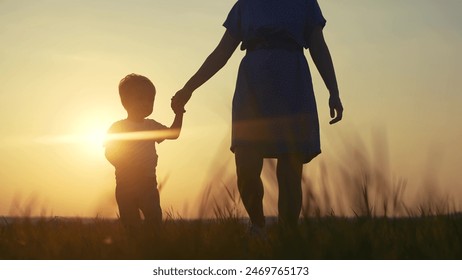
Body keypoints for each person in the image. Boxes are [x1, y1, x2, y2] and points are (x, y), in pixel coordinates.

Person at [172, 0, 343, 234]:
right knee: (246, 163)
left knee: (290, 168)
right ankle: (258, 225)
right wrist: (188, 88)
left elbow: (318, 47)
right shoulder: (246, 4)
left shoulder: (305, 3)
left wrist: (333, 91)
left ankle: (288, 236)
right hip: (253, 85)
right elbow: (222, 52)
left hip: (292, 81)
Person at [105, 73, 184, 234]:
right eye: (140, 98)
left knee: (154, 217)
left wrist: (179, 113)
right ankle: (135, 250)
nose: (146, 103)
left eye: (150, 100)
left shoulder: (151, 126)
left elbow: (173, 134)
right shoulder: (118, 127)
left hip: (148, 182)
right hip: (125, 183)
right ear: (125, 101)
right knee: (130, 222)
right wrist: (124, 164)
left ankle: (152, 247)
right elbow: (109, 152)